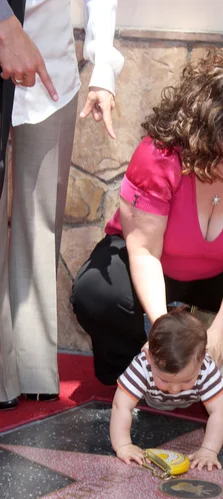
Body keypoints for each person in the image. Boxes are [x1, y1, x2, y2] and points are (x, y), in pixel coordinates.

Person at [71, 46, 223, 400]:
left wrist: (216, 335)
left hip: (221, 272)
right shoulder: (160, 156)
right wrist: (161, 327)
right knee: (95, 292)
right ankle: (137, 376)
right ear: (205, 126)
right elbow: (145, 253)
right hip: (153, 266)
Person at [0, 0, 124, 410]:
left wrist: (103, 68)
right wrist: (3, 25)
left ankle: (34, 367)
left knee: (41, 222)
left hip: (50, 66)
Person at [111, 309, 223, 471]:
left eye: (186, 380)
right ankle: (182, 387)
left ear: (201, 361)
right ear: (149, 358)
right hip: (169, 394)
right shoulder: (143, 364)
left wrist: (208, 450)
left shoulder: (207, 366)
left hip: (220, 366)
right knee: (159, 402)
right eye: (165, 379)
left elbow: (219, 411)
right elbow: (120, 405)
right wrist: (123, 445)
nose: (174, 388)